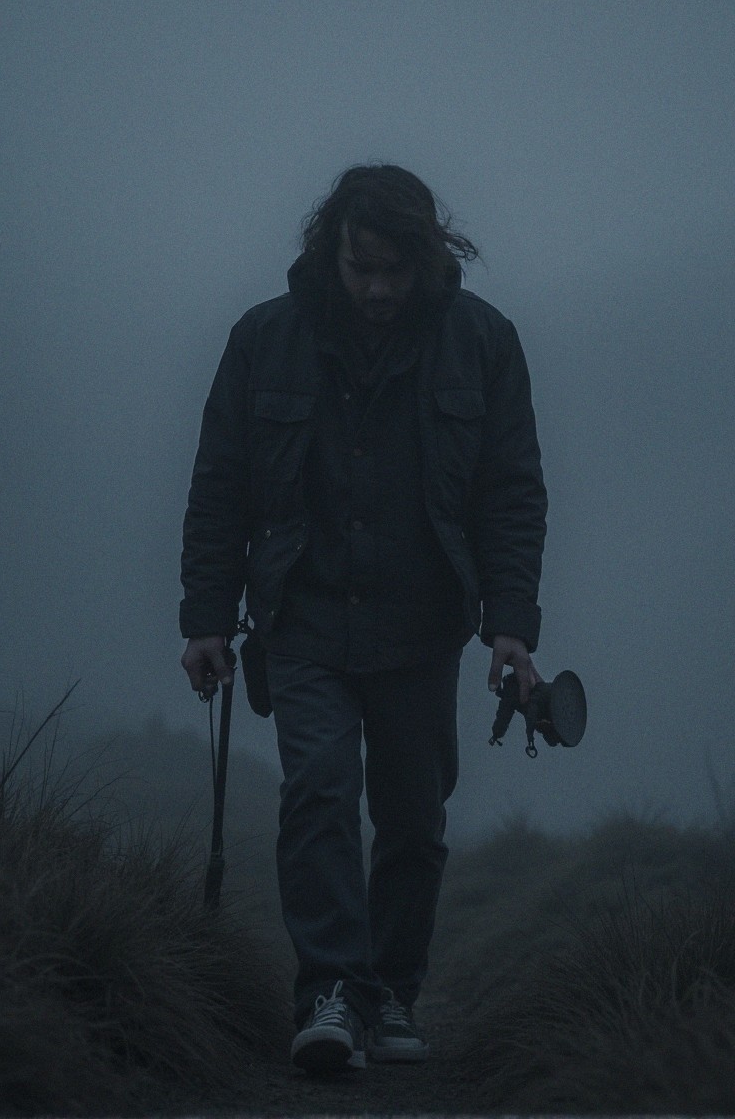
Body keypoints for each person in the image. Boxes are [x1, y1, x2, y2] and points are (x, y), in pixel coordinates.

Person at [179, 164, 546, 1074]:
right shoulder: (265, 339)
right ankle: (331, 992)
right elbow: (218, 487)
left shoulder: (483, 342)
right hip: (300, 620)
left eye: (394, 270)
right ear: (330, 254)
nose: (378, 289)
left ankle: (389, 995)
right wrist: (206, 619)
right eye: (360, 269)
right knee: (320, 791)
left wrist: (511, 624)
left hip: (423, 629)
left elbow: (510, 494)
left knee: (415, 820)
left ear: (427, 259)